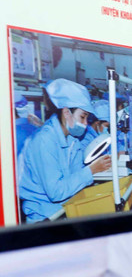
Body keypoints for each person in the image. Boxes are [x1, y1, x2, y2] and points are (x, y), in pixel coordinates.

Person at [18, 79, 111, 222]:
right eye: (83, 116)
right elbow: (56, 192)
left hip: (66, 209)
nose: (85, 124)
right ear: (67, 112)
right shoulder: (44, 141)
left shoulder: (73, 139)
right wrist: (91, 171)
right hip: (45, 218)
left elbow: (74, 176)